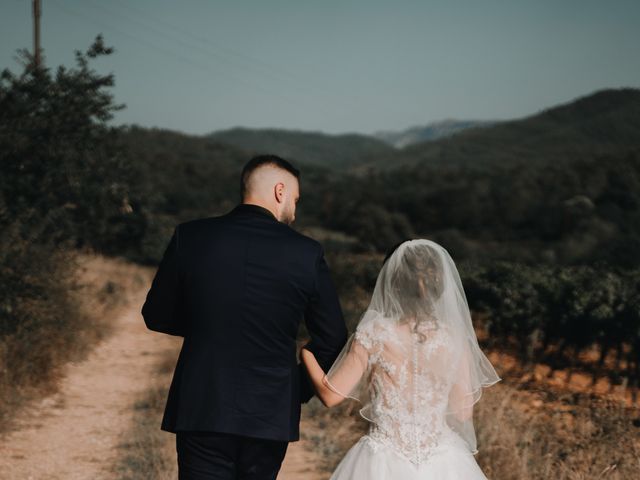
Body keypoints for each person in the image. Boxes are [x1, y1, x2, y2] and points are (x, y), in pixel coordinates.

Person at [141, 154, 348, 480]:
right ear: (280, 191)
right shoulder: (306, 252)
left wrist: (207, 325)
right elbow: (333, 335)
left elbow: (155, 315)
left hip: (203, 402)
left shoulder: (190, 236)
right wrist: (297, 388)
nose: (294, 212)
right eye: (295, 200)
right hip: (270, 409)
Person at [301, 239, 501, 479]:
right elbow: (462, 413)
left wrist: (306, 354)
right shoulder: (455, 339)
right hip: (443, 460)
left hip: (383, 460)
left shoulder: (373, 333)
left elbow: (331, 396)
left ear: (392, 284)